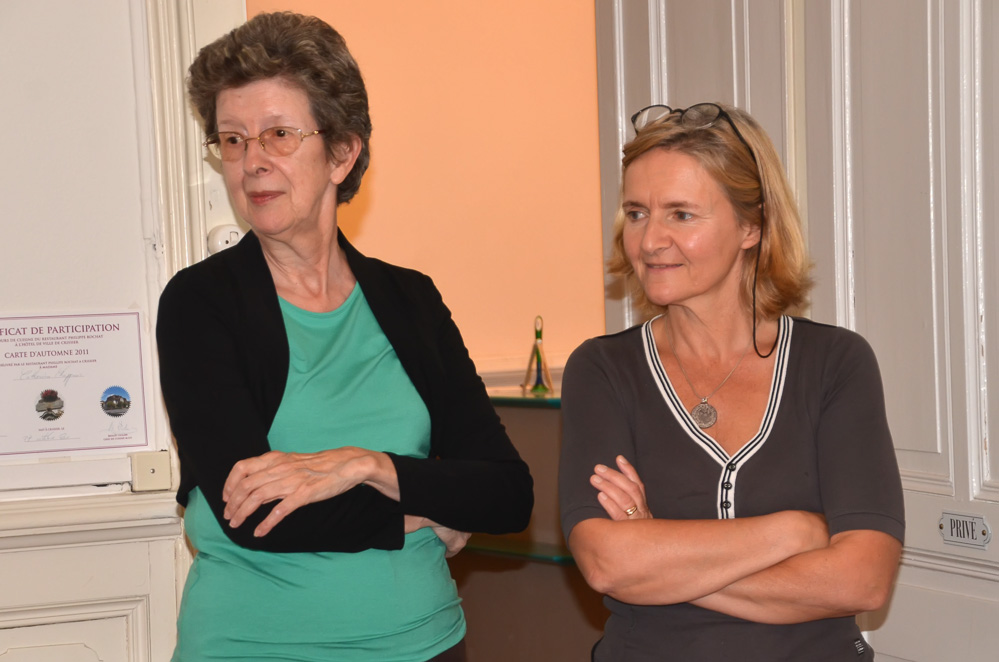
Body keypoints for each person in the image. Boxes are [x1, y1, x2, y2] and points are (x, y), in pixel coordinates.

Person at [156, 12, 533, 662]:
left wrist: (367, 465)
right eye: (233, 140)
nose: (251, 163)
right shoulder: (199, 303)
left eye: (278, 134)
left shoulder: (410, 299)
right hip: (258, 649)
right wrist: (425, 509)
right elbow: (254, 515)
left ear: (342, 152)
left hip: (429, 643)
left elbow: (506, 494)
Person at [558, 103, 904, 661]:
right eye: (637, 213)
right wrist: (792, 532)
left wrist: (657, 551)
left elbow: (861, 582)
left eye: (681, 214)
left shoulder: (834, 363)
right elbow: (607, 564)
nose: (650, 240)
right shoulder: (602, 370)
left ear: (752, 226)